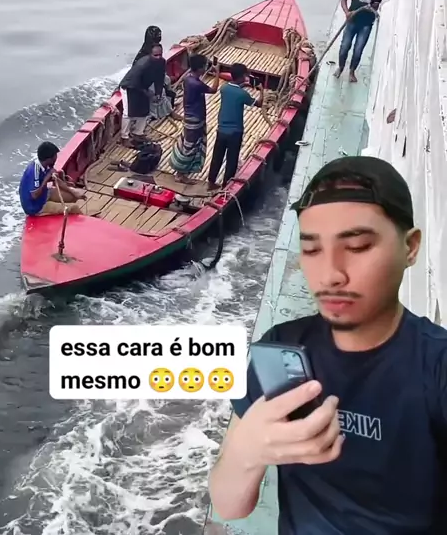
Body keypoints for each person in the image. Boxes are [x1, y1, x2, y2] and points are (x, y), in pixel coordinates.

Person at [209, 155, 447, 534]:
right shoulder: (280, 347)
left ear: (411, 247)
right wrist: (245, 452)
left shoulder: (436, 366)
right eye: (312, 250)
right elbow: (229, 505)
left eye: (358, 246)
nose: (331, 275)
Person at [207, 63, 263, 190]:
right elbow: (259, 104)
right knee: (232, 159)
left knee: (217, 156)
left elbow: (234, 89)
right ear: (243, 76)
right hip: (235, 132)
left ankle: (211, 182)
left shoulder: (224, 88)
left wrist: (243, 85)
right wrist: (261, 91)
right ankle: (226, 186)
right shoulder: (243, 94)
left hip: (221, 130)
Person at [169, 54, 220, 183]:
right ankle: (180, 174)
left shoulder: (188, 78)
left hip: (189, 116)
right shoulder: (196, 84)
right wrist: (217, 73)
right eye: (205, 66)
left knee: (187, 143)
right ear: (200, 68)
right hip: (195, 118)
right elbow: (214, 90)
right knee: (190, 146)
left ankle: (181, 171)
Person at [334, 0, 383, 83]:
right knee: (345, 47)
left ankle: (352, 71)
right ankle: (340, 67)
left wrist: (369, 7)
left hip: (366, 24)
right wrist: (347, 12)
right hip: (352, 21)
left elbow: (375, 6)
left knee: (358, 49)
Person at [18, 141, 84, 216]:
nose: (56, 159)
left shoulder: (46, 165)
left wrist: (73, 192)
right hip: (36, 206)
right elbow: (34, 195)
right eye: (54, 157)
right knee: (74, 207)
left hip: (45, 194)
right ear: (49, 159)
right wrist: (47, 177)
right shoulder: (34, 171)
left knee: (73, 197)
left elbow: (56, 181)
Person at [119, 44, 166, 145]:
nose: (158, 57)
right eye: (155, 55)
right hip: (129, 87)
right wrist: (149, 94)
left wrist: (158, 93)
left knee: (145, 110)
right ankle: (124, 137)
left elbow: (160, 78)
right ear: (150, 54)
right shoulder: (142, 65)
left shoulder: (162, 62)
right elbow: (135, 83)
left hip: (143, 87)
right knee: (128, 113)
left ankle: (138, 133)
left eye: (160, 54)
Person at [132, 25, 177, 121]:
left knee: (167, 80)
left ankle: (168, 103)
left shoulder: (156, 48)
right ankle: (167, 112)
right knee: (158, 91)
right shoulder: (145, 52)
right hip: (143, 80)